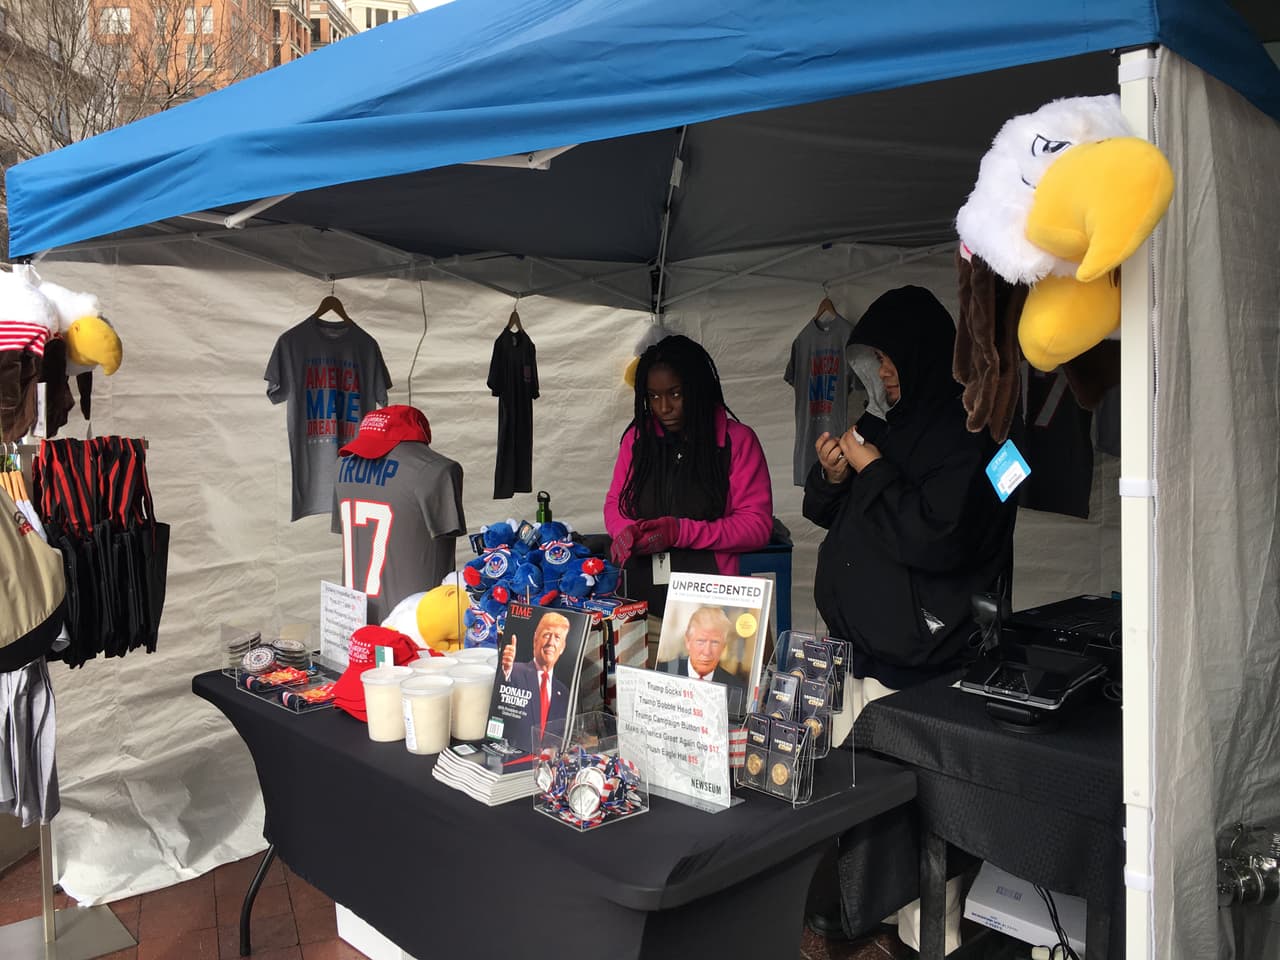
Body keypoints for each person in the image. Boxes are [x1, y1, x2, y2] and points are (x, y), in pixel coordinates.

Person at [802, 285, 1017, 953]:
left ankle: (923, 938)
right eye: (873, 361)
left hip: (925, 665)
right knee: (858, 806)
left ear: (924, 354)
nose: (881, 373)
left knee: (927, 816)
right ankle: (850, 921)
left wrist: (869, 474)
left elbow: (939, 537)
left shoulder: (971, 436)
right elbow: (826, 511)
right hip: (858, 657)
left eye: (889, 360)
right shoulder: (881, 424)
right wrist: (833, 476)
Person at [604, 335, 773, 620]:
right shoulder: (637, 439)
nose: (663, 407)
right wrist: (623, 530)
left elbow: (756, 526)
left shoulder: (736, 440)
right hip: (638, 604)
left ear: (698, 389)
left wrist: (681, 532)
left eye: (675, 394)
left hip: (711, 607)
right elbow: (614, 504)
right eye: (653, 396)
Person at [498, 611, 570, 752]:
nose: (551, 643)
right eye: (546, 635)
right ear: (535, 639)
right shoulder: (514, 671)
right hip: (515, 760)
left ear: (562, 647)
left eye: (557, 637)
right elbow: (499, 696)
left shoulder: (564, 692)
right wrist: (506, 671)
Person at [656, 606, 747, 703]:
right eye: (701, 641)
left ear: (723, 647)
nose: (707, 651)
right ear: (688, 641)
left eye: (715, 642)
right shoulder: (661, 673)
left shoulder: (736, 690)